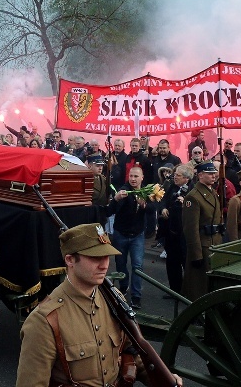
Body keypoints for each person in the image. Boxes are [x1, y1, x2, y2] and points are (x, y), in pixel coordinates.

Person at [16, 223, 184, 386]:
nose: (105, 265)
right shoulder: (44, 321)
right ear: (70, 260)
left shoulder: (114, 300)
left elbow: (131, 352)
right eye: (95, 258)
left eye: (106, 256)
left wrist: (161, 378)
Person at [107, 166, 148, 309]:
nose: (133, 179)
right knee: (121, 264)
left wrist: (146, 206)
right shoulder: (123, 190)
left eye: (136, 176)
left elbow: (155, 208)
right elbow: (109, 211)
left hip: (137, 235)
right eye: (131, 176)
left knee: (137, 266)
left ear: (142, 177)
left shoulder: (146, 191)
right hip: (121, 234)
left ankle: (136, 296)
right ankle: (123, 288)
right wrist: (116, 200)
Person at [181, 161, 222, 301]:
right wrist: (196, 254)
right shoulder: (193, 197)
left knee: (210, 286)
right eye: (209, 173)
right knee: (199, 286)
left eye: (214, 173)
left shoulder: (211, 191)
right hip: (203, 246)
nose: (213, 176)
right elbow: (190, 229)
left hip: (214, 242)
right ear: (200, 175)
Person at [161, 165, 193, 295]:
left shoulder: (192, 190)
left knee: (185, 261)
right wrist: (162, 208)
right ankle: (175, 290)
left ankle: (188, 290)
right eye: (175, 174)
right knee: (172, 262)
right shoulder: (171, 187)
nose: (175, 177)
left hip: (184, 233)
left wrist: (185, 203)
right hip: (170, 231)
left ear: (186, 178)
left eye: (178, 175)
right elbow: (162, 200)